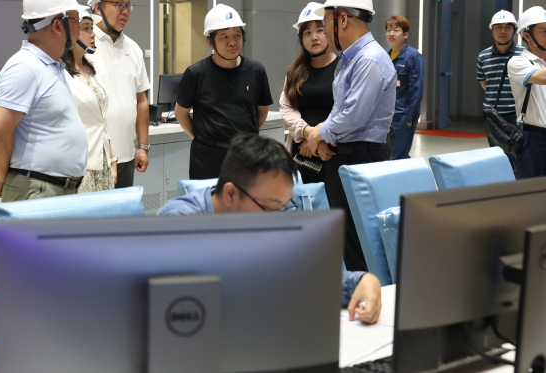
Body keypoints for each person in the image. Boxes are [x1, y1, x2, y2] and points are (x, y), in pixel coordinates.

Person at [158, 132, 382, 324]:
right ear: (230, 194)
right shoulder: (179, 223)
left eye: (284, 207)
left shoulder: (263, 221)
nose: (277, 219)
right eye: (270, 207)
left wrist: (363, 282)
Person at [304, 0, 396, 272]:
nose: (323, 30)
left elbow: (353, 116)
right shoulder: (352, 58)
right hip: (344, 154)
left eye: (326, 21)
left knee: (358, 243)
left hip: (360, 157)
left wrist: (318, 133)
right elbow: (340, 109)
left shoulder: (368, 60)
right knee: (347, 238)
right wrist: (323, 136)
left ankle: (365, 292)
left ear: (342, 19)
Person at [0, 0, 88, 202]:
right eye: (76, 18)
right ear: (58, 25)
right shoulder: (25, 67)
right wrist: (6, 179)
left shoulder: (50, 66)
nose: (79, 24)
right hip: (36, 190)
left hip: (52, 189)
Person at [174, 4, 273, 180]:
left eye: (237, 35)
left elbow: (262, 111)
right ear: (210, 42)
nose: (232, 42)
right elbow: (181, 113)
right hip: (207, 159)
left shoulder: (256, 70)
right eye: (224, 36)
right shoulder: (196, 73)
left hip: (246, 156)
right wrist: (203, 138)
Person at [86, 0, 150, 188]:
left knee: (124, 210)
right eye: (118, 4)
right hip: (93, 159)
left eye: (128, 5)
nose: (125, 10)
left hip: (127, 155)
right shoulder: (82, 47)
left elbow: (141, 100)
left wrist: (142, 146)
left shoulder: (133, 48)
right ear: (97, 8)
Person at [279, 2, 339, 184]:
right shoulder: (295, 72)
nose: (314, 37)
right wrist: (306, 133)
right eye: (307, 32)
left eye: (320, 30)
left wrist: (317, 138)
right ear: (301, 38)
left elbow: (345, 109)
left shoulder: (343, 68)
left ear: (329, 31)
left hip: (332, 149)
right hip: (301, 152)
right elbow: (286, 107)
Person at [61, 9, 117, 192]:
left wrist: (112, 159)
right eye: (86, 28)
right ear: (71, 32)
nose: (92, 34)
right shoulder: (60, 73)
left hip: (102, 160)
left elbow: (101, 120)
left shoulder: (91, 70)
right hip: (78, 163)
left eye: (92, 28)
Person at [508, 6, 546, 179]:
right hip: (534, 137)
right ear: (527, 36)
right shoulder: (518, 61)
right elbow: (541, 77)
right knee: (530, 189)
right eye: (544, 31)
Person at [385, 15, 424, 160]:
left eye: (396, 30)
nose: (391, 33)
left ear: (405, 34)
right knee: (386, 155)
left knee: (398, 156)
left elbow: (416, 88)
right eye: (388, 30)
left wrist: (409, 117)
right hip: (386, 114)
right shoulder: (385, 56)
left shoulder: (413, 56)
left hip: (402, 115)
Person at [477, 10, 524, 126]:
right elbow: (484, 83)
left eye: (508, 27)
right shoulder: (483, 56)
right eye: (498, 27)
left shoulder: (524, 54)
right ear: (492, 31)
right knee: (492, 140)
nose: (503, 31)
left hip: (517, 114)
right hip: (491, 113)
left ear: (514, 31)